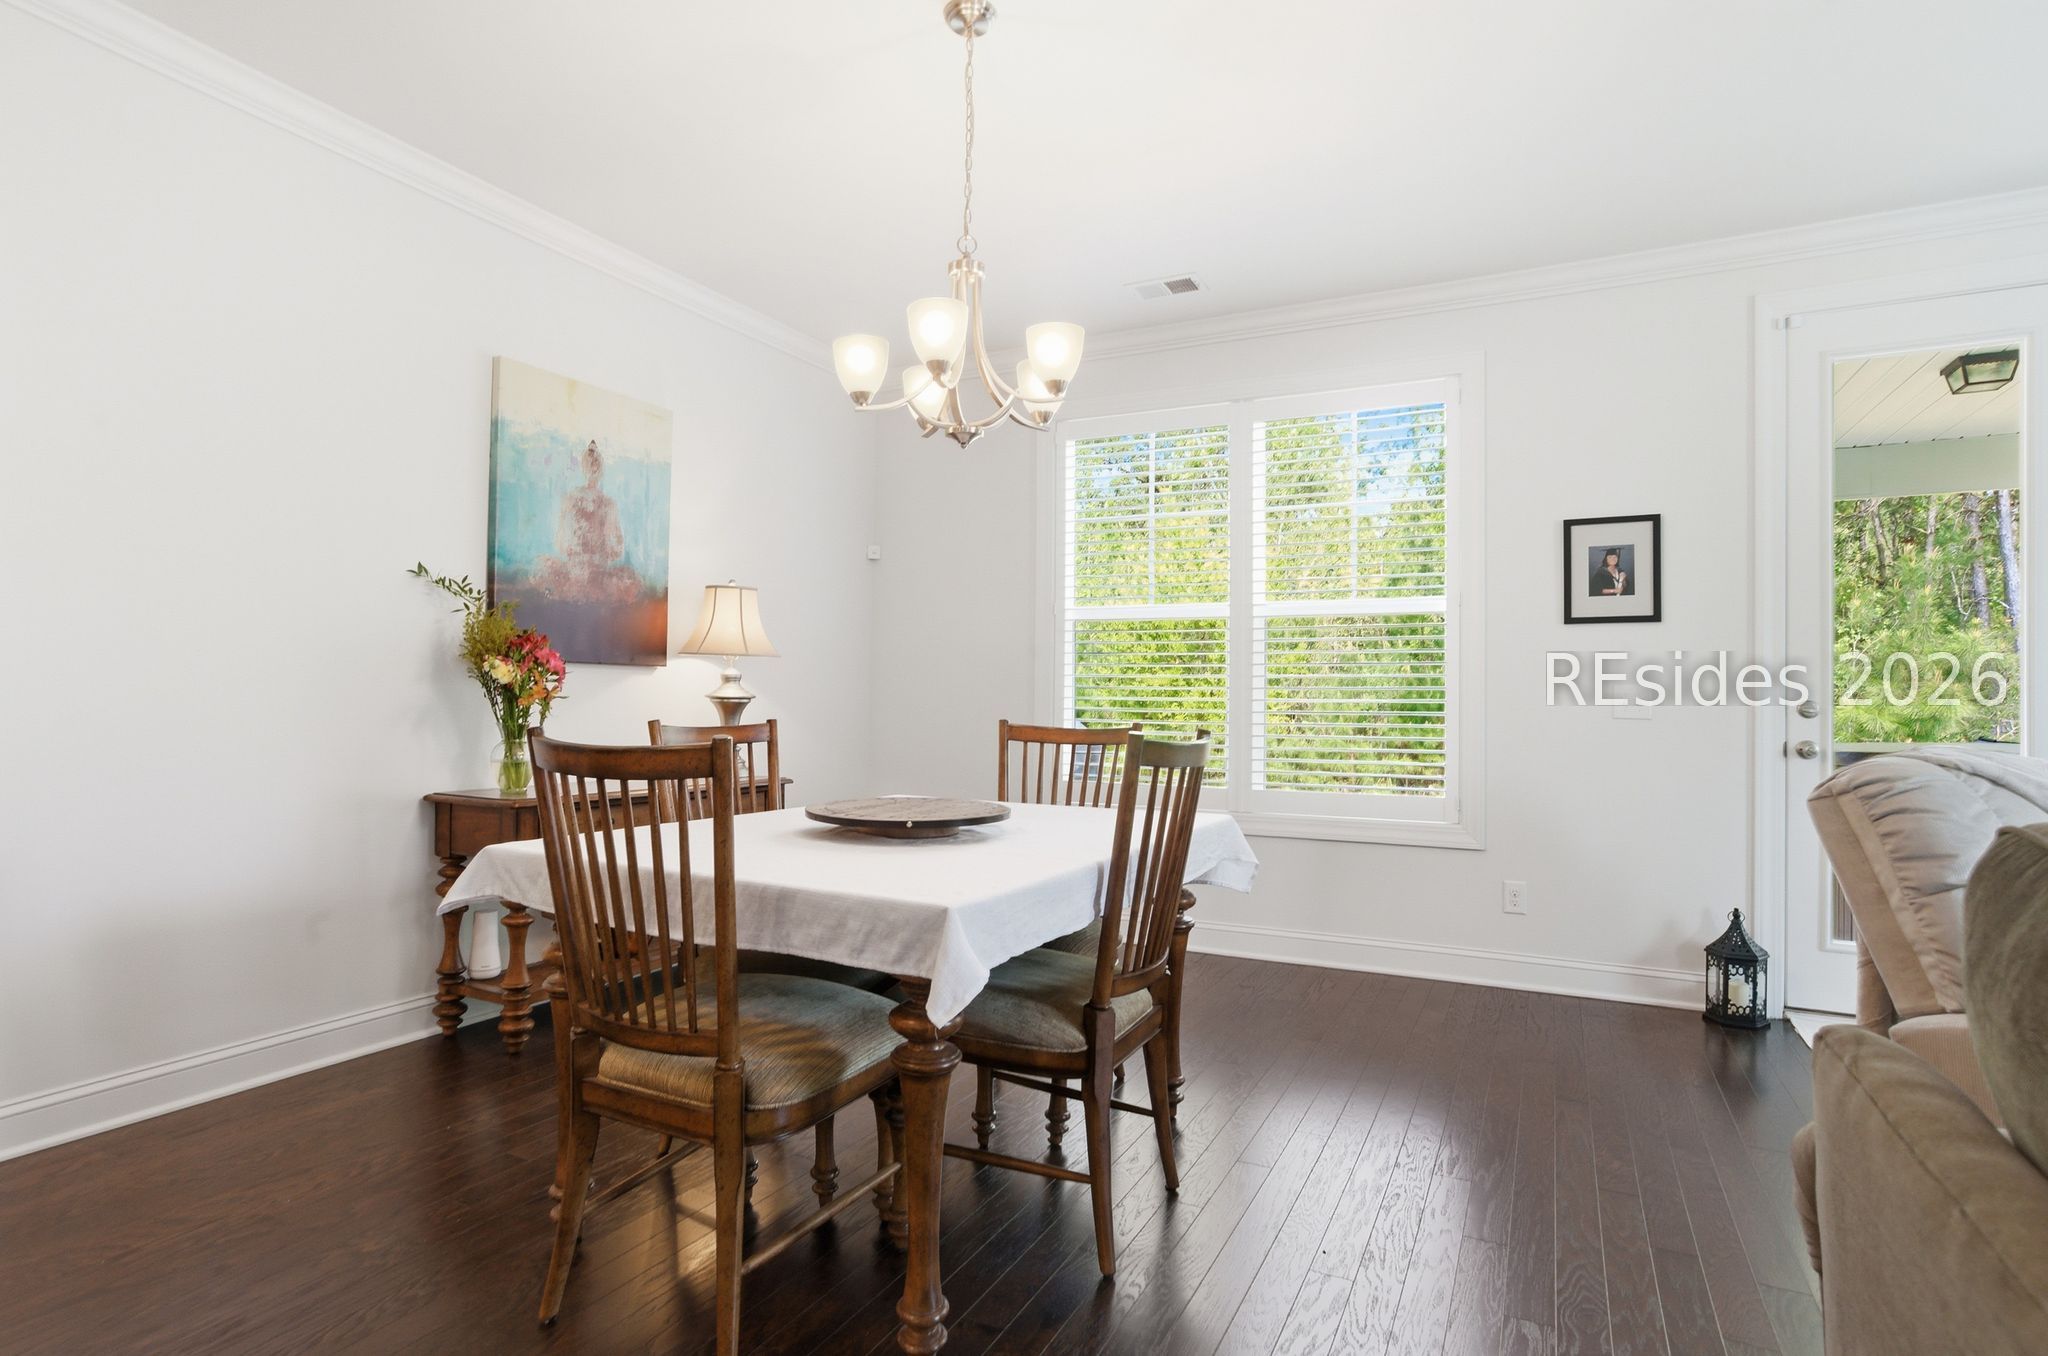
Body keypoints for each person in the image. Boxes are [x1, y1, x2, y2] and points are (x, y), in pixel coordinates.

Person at [531, 440, 642, 604]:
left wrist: (581, 555)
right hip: (591, 576)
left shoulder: (572, 500)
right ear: (601, 470)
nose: (593, 468)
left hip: (579, 574)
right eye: (594, 465)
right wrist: (595, 555)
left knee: (541, 568)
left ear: (583, 468)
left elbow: (560, 544)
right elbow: (616, 550)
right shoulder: (605, 503)